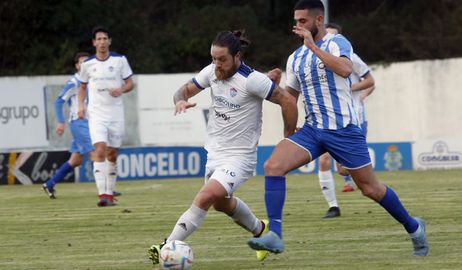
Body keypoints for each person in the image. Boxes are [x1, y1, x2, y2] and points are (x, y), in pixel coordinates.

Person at [247, 0, 428, 257]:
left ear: (318, 21)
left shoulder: (337, 43)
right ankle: (275, 234)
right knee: (273, 166)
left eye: (303, 21)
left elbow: (345, 69)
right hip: (312, 130)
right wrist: (272, 87)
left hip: (343, 129)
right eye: (296, 21)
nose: (298, 26)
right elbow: (290, 98)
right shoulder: (295, 58)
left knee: (370, 189)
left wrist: (313, 46)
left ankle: (414, 228)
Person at [147, 30, 297, 265]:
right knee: (221, 203)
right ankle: (259, 229)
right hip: (215, 152)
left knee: (205, 197)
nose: (216, 64)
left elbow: (287, 100)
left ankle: (167, 246)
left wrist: (288, 135)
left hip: (240, 157)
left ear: (237, 56)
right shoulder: (211, 72)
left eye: (222, 59)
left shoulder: (252, 80)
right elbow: (184, 90)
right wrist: (180, 100)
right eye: (213, 58)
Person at [318, 22, 376, 218]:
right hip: (327, 118)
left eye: (334, 36)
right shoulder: (316, 59)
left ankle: (362, 178)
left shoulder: (351, 57)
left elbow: (370, 81)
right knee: (324, 160)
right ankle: (333, 206)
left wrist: (351, 90)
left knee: (343, 170)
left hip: (352, 117)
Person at [77, 26, 134, 207]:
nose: (102, 42)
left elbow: (130, 83)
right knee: (100, 149)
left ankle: (110, 193)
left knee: (112, 153)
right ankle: (102, 195)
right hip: (96, 114)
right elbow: (82, 87)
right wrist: (80, 106)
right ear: (94, 43)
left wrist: (122, 89)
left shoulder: (119, 60)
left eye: (104, 38)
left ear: (109, 41)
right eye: (98, 39)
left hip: (116, 114)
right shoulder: (87, 65)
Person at [42, 52, 93, 199]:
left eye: (87, 62)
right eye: (81, 62)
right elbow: (58, 101)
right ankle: (106, 191)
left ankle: (50, 184)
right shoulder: (74, 82)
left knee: (76, 160)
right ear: (77, 66)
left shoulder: (92, 80)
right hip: (79, 122)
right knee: (96, 151)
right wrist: (60, 122)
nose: (84, 65)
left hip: (89, 122)